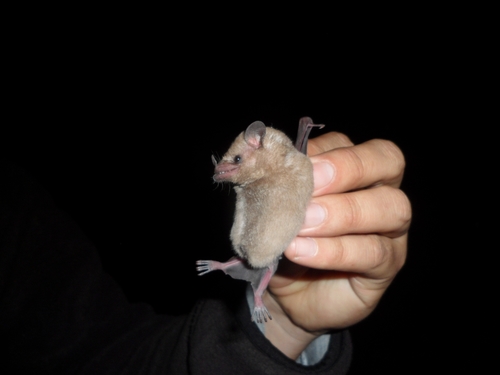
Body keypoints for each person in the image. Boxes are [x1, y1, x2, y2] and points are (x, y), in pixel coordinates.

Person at [0, 130, 410, 374]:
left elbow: (107, 356)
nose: (223, 170)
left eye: (231, 162)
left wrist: (285, 328)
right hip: (258, 246)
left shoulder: (20, 224)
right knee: (252, 256)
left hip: (279, 230)